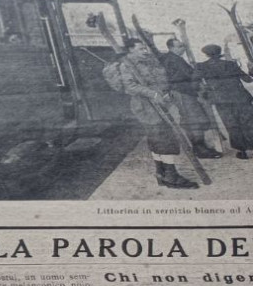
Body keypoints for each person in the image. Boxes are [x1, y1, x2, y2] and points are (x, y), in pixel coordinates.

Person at [102, 38, 198, 189]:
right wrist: (153, 94)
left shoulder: (149, 61)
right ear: (131, 50)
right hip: (146, 107)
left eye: (145, 48)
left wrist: (165, 92)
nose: (145, 51)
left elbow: (161, 79)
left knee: (158, 138)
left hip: (161, 103)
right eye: (141, 49)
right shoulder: (127, 65)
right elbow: (130, 87)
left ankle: (161, 174)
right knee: (164, 139)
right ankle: (171, 177)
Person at [164, 36, 222, 158]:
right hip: (183, 92)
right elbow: (189, 74)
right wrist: (199, 69)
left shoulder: (176, 58)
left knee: (191, 119)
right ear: (171, 48)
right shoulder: (173, 60)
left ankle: (198, 146)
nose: (183, 48)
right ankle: (200, 149)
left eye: (183, 46)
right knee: (194, 119)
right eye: (179, 46)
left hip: (186, 92)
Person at [196, 44, 253, 158]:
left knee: (232, 125)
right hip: (240, 98)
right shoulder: (231, 64)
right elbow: (247, 79)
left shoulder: (202, 67)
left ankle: (242, 151)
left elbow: (196, 83)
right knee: (248, 123)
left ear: (206, 54)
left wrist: (207, 91)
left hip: (221, 101)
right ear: (219, 52)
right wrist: (250, 69)